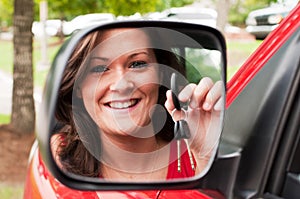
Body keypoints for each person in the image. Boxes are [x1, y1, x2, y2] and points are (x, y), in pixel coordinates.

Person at [51, 27, 223, 182]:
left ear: (161, 75)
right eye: (99, 68)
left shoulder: (195, 156)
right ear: (78, 86)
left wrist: (207, 156)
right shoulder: (58, 156)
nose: (122, 84)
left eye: (137, 64)